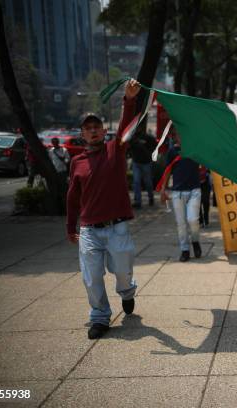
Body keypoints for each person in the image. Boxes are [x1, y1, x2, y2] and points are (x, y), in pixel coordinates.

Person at [66, 79, 141, 340]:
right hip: (89, 230)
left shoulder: (116, 150)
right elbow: (73, 197)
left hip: (117, 227)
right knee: (91, 277)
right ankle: (99, 317)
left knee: (122, 272)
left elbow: (126, 126)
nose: (93, 131)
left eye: (97, 126)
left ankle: (127, 291)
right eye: (88, 128)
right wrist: (70, 226)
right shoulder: (77, 162)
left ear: (103, 130)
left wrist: (128, 99)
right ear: (82, 134)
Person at [160, 129, 202, 262]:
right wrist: (163, 190)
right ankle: (184, 249)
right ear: (175, 136)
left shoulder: (196, 148)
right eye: (178, 134)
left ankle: (195, 240)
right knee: (181, 223)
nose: (180, 136)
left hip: (194, 190)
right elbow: (167, 171)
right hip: (177, 193)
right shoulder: (172, 152)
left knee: (193, 219)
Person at [129, 132, 156, 208]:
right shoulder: (132, 138)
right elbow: (128, 147)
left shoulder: (148, 137)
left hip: (146, 163)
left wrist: (149, 152)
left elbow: (154, 146)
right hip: (136, 162)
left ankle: (151, 197)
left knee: (148, 182)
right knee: (136, 182)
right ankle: (138, 201)